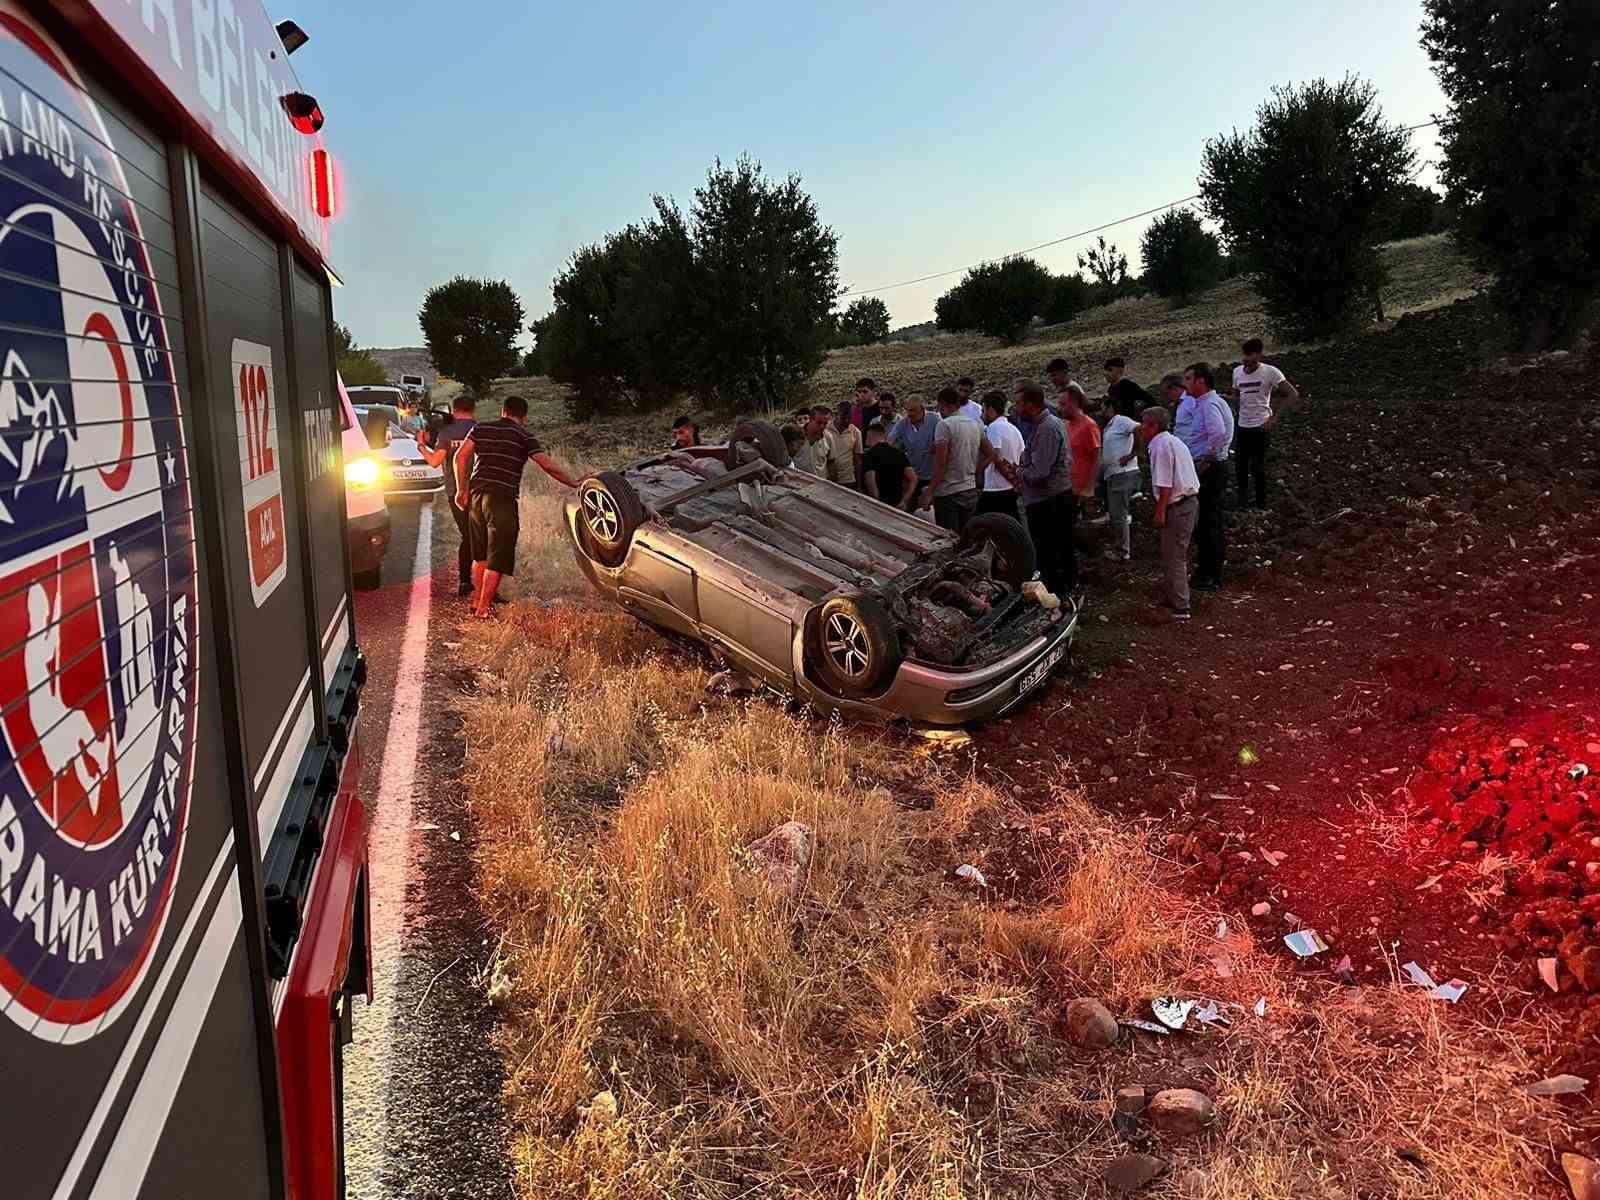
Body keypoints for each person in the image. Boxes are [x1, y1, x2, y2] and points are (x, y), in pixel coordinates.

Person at [453, 395, 579, 617]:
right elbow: (547, 465)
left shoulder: (481, 428)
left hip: (476, 495)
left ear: (503, 411)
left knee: (480, 554)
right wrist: (574, 482)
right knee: (498, 554)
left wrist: (461, 489)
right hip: (501, 498)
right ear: (525, 417)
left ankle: (476, 602)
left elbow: (460, 457)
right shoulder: (524, 436)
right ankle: (483, 608)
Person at [999, 382, 1074, 595]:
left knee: (1051, 552)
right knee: (1057, 551)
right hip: (1049, 499)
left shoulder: (1047, 428)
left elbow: (1040, 472)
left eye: (1019, 403)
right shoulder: (1044, 426)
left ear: (1031, 404)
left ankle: (1059, 598)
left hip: (1049, 502)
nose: (1015, 408)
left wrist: (1019, 471)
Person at [1176, 363, 1233, 592]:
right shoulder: (1206, 403)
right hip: (1209, 466)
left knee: (1209, 522)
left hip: (1210, 468)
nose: (1185, 383)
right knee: (1206, 522)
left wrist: (1206, 461)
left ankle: (1211, 575)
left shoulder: (1209, 404)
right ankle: (1207, 570)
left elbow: (1218, 433)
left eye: (1189, 378)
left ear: (1200, 381)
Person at [1140, 406, 1200, 619]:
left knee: (1175, 556)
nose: (1141, 428)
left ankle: (1181, 606)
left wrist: (1160, 512)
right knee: (1171, 554)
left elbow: (1165, 484)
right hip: (1186, 503)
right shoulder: (1171, 441)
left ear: (1153, 426)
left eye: (1144, 424)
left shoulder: (1160, 445)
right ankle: (1173, 597)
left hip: (1178, 505)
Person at [417, 394, 478, 595]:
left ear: (454, 409)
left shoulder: (446, 432)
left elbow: (435, 461)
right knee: (481, 536)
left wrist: (421, 446)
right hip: (480, 491)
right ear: (473, 409)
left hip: (455, 492)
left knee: (467, 536)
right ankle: (483, 584)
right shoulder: (480, 429)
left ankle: (464, 581)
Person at [1229, 338, 1297, 509]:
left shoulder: (1271, 372)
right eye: (1244, 354)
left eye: (1250, 354)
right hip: (1243, 426)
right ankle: (1242, 504)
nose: (1245, 358)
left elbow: (1292, 394)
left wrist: (1274, 418)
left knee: (1258, 467)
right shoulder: (1237, 372)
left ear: (1259, 355)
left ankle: (1261, 505)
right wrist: (1230, 403)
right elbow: (1237, 397)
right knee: (1240, 467)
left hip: (1260, 426)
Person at [928, 386, 998, 532]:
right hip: (970, 490)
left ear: (942, 404)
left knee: (949, 541)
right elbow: (992, 453)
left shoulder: (944, 425)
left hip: (948, 493)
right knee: (966, 539)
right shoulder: (975, 424)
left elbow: (941, 465)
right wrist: (977, 471)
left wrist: (929, 492)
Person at [1099, 396, 1142, 561]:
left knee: (1119, 514)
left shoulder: (1121, 420)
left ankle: (1123, 551)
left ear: (1110, 407)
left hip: (1122, 474)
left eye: (1103, 408)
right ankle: (1121, 546)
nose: (1101, 412)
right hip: (1113, 475)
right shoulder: (1109, 427)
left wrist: (1132, 453)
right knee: (1117, 513)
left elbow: (1138, 429)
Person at [889, 395, 941, 509]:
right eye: (907, 410)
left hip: (932, 476)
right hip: (914, 475)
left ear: (922, 409)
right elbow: (890, 440)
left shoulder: (935, 419)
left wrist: (936, 445)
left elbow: (943, 440)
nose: (909, 414)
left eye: (912, 410)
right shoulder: (903, 423)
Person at [978, 390, 1024, 519]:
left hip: (995, 488)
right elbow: (1022, 457)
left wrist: (978, 470)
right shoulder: (1014, 429)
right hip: (1009, 488)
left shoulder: (994, 428)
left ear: (991, 410)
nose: (981, 416)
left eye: (983, 411)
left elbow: (995, 456)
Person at [1059, 383, 1102, 509]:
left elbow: (1097, 457)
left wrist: (1089, 488)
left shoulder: (1089, 425)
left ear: (1074, 404)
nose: (1059, 408)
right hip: (1068, 487)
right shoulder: (1066, 425)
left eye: (1063, 404)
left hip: (1082, 491)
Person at [862, 420, 917, 510]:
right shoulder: (899, 453)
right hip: (897, 504)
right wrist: (904, 501)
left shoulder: (870, 455)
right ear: (884, 436)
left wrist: (877, 504)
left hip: (879, 506)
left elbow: (871, 482)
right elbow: (913, 479)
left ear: (869, 437)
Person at [823, 399, 863, 486]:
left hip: (848, 480)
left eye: (849, 418)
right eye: (844, 418)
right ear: (836, 415)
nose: (847, 421)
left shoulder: (856, 432)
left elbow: (857, 459)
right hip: (827, 479)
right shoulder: (825, 429)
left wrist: (859, 484)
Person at [793, 406, 831, 476]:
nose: (822, 426)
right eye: (819, 423)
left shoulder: (828, 437)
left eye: (825, 423)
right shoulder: (795, 436)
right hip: (801, 483)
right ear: (810, 420)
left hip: (821, 484)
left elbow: (831, 462)